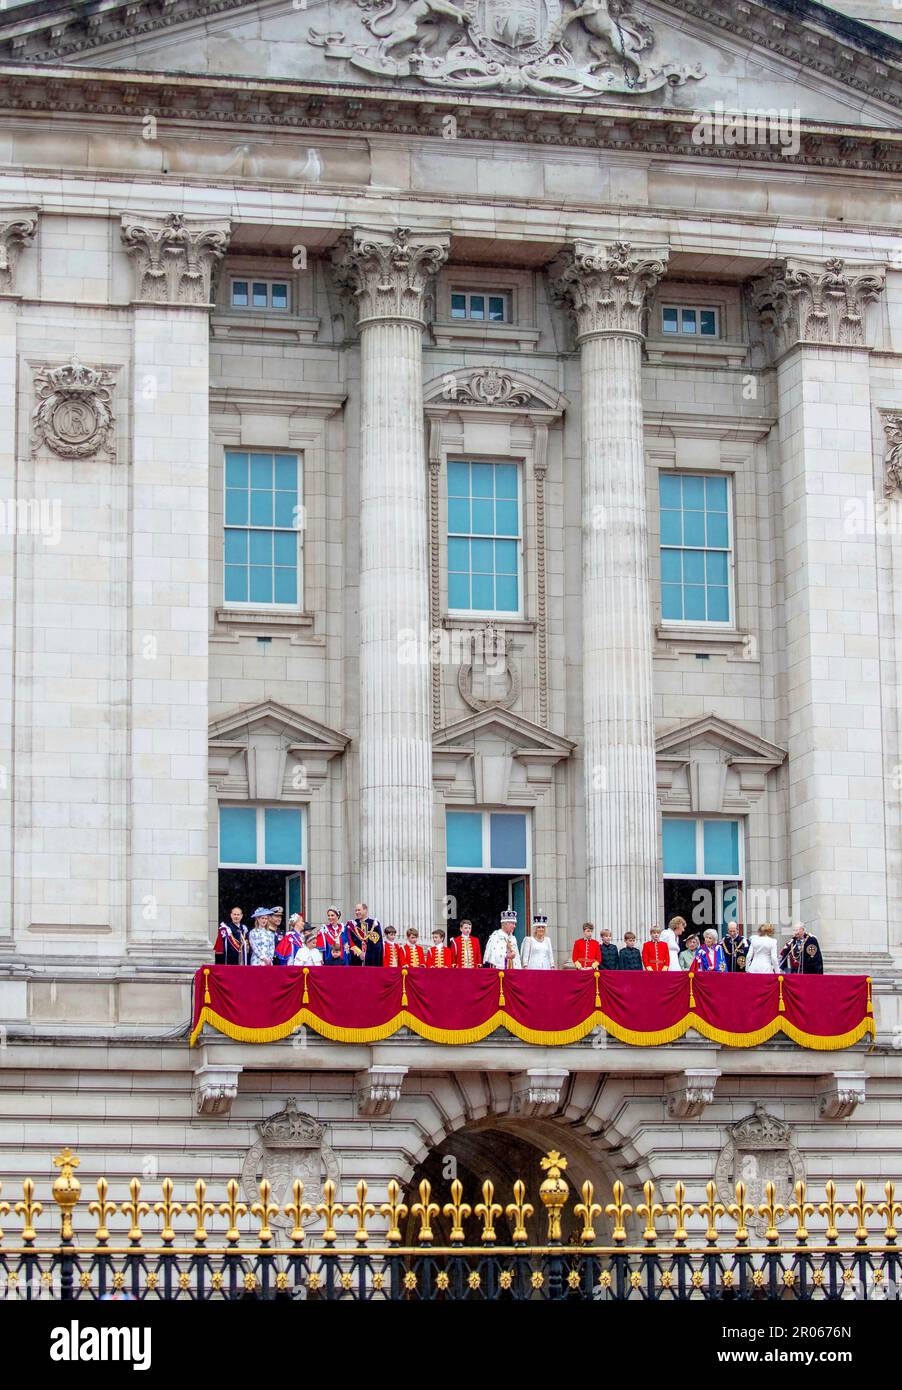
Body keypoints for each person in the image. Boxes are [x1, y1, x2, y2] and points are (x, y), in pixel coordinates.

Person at [348, 902, 383, 967]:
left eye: (359, 910)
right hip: (356, 958)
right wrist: (359, 952)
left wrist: (367, 956)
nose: (357, 912)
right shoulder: (352, 925)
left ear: (365, 910)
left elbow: (377, 943)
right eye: (356, 910)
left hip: (371, 959)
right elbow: (350, 941)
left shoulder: (374, 924)